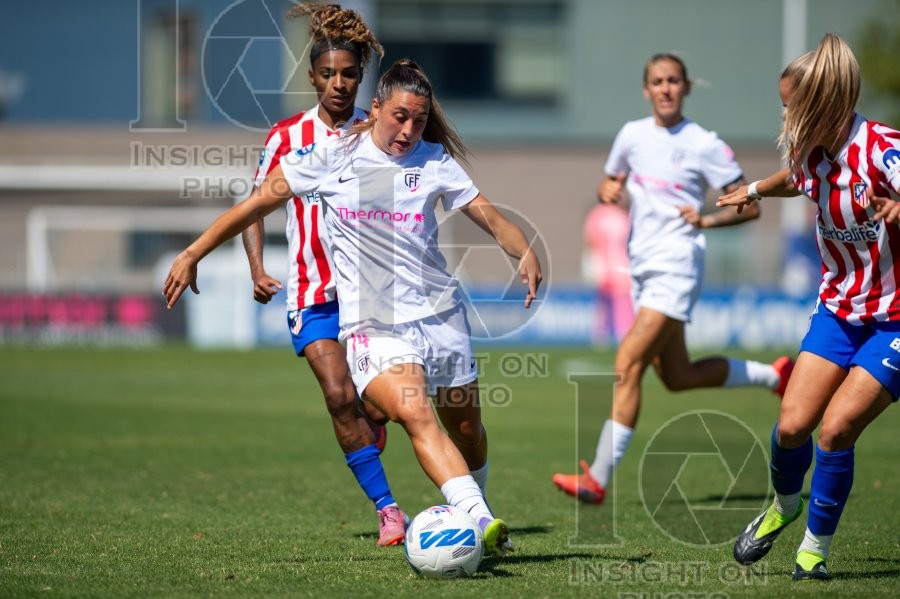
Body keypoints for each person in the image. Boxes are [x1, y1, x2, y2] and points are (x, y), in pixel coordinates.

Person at [163, 59, 542, 558]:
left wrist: (525, 250)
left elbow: (490, 217)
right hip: (373, 325)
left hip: (439, 316)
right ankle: (484, 523)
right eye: (400, 116)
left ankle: (477, 503)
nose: (408, 129)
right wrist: (193, 252)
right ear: (377, 107)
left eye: (419, 120)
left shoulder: (434, 162)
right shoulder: (329, 155)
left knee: (467, 429)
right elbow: (253, 206)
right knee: (413, 412)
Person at [552, 53, 795, 505]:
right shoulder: (630, 136)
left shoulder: (705, 144)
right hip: (642, 269)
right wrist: (607, 192)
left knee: (626, 364)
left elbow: (752, 206)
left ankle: (598, 478)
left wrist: (705, 221)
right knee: (678, 376)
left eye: (674, 81)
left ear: (686, 87)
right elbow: (610, 186)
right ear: (647, 89)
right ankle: (774, 374)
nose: (665, 88)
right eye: (657, 81)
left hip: (678, 266)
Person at [718, 33, 900, 581]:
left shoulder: (882, 148)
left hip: (895, 320)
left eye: (792, 105)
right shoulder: (809, 152)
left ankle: (813, 551)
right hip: (838, 311)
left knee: (835, 430)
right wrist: (752, 189)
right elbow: (796, 182)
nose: (786, 115)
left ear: (825, 101)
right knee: (793, 426)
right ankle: (783, 504)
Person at [239, 3, 407, 547]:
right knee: (337, 395)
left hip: (373, 297)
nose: (339, 83)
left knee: (386, 404)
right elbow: (255, 208)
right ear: (312, 76)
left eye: (349, 73)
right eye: (328, 73)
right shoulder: (286, 137)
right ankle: (388, 509)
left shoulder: (375, 135)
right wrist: (258, 267)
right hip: (312, 296)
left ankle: (371, 418)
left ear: (363, 78)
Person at [582, 203, 633, 345]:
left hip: (619, 264)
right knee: (603, 300)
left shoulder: (624, 215)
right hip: (604, 263)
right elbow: (590, 240)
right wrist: (591, 260)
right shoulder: (598, 214)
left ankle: (621, 332)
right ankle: (601, 334)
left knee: (622, 300)